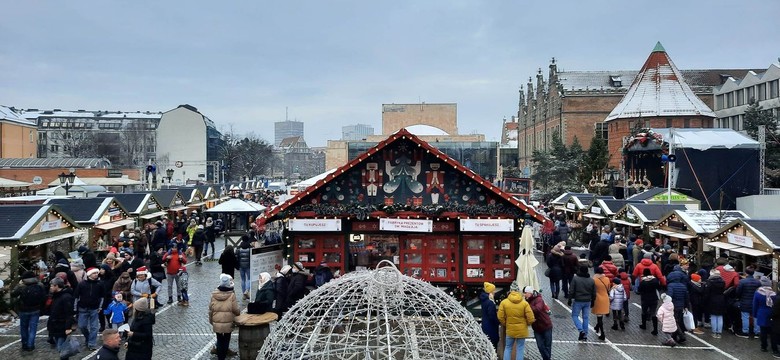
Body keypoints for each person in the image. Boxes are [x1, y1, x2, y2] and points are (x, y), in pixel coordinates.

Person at [11, 271, 47, 351]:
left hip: (23, 309)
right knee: (33, 328)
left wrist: (18, 285)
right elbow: (44, 297)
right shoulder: (39, 285)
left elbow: (13, 294)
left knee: (24, 327)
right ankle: (30, 345)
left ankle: (24, 344)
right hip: (35, 309)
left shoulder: (21, 286)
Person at [498, 286, 535, 360]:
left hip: (510, 330)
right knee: (520, 349)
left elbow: (500, 316)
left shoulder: (504, 303)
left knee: (508, 348)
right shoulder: (524, 303)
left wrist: (506, 323)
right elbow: (531, 318)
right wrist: (526, 324)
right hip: (522, 330)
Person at [209, 274, 241, 360]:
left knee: (219, 339)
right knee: (226, 338)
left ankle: (220, 357)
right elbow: (235, 309)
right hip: (228, 321)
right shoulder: (231, 295)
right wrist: (238, 314)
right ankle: (224, 353)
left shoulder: (213, 294)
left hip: (217, 321)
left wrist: (211, 320)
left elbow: (210, 308)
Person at [75, 267, 104, 351]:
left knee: (94, 327)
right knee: (82, 326)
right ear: (89, 274)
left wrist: (100, 307)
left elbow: (102, 296)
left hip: (94, 308)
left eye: (96, 273)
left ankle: (92, 343)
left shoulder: (100, 284)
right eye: (94, 273)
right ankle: (88, 337)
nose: (96, 274)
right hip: (83, 308)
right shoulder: (82, 284)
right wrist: (75, 308)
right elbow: (76, 296)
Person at [47, 278, 75, 359]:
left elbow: (69, 313)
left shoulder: (66, 297)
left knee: (61, 348)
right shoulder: (54, 296)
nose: (50, 287)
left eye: (52, 286)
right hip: (55, 325)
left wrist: (68, 327)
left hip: (62, 325)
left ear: (57, 286)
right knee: (60, 348)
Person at [524, 286, 552, 360]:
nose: (524, 294)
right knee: (540, 345)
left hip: (546, 325)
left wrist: (527, 306)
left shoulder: (538, 299)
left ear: (529, 293)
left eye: (525, 293)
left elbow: (538, 309)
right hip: (536, 327)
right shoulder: (527, 301)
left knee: (547, 345)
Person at [569, 265, 596, 341]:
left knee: (575, 315)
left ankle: (581, 330)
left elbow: (571, 290)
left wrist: (570, 298)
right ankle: (585, 334)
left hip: (578, 300)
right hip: (587, 301)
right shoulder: (591, 280)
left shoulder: (575, 279)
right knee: (586, 317)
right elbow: (594, 292)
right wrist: (593, 300)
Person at [736, 266, 762, 338]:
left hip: (745, 301)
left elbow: (738, 292)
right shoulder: (758, 282)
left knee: (745, 317)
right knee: (755, 317)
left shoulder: (742, 282)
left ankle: (745, 331)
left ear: (746, 273)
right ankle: (757, 332)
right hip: (755, 302)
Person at [753, 276, 777, 352]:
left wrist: (754, 314)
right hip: (772, 314)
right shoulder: (773, 294)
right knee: (772, 332)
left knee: (763, 331)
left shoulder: (758, 293)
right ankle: (774, 348)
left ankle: (764, 346)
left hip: (761, 313)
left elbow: (755, 305)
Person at [705, 269, 727, 338]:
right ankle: (719, 332)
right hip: (721, 299)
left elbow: (707, 293)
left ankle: (714, 332)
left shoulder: (709, 282)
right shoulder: (723, 282)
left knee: (714, 316)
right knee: (720, 316)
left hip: (712, 300)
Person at [638, 268, 661, 335]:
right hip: (654, 298)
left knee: (644, 312)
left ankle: (644, 325)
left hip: (645, 299)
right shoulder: (655, 280)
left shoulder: (643, 282)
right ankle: (655, 329)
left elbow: (639, 290)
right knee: (653, 313)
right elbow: (659, 288)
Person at [592, 267, 611, 341]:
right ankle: (597, 327)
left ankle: (602, 333)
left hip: (598, 299)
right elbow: (608, 288)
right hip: (605, 298)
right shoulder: (607, 279)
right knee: (601, 315)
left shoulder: (594, 280)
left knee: (599, 316)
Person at [480, 282, 499, 351]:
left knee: (487, 347)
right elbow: (492, 316)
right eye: (493, 291)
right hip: (491, 328)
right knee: (493, 346)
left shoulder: (484, 301)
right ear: (490, 292)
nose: (494, 292)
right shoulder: (490, 302)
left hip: (485, 326)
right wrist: (497, 321)